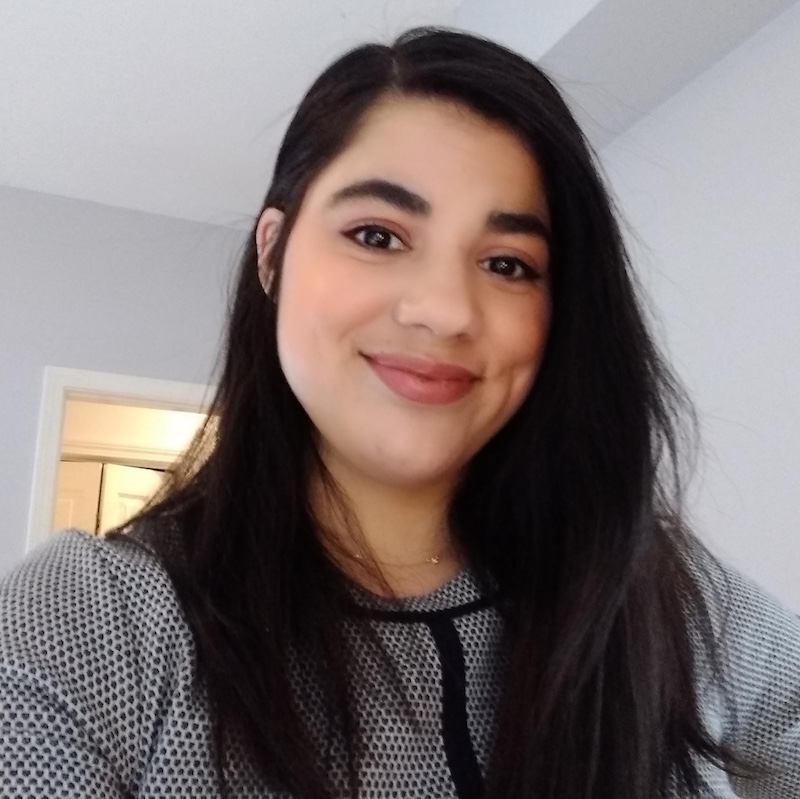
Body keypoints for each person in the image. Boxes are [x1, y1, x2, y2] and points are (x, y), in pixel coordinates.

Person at [1, 27, 798, 799]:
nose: (447, 309)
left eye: (507, 263)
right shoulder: (85, 624)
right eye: (378, 235)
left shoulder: (670, 596)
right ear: (273, 252)